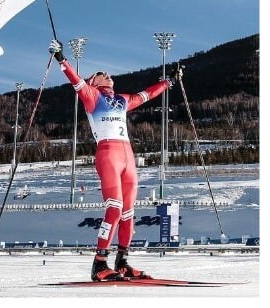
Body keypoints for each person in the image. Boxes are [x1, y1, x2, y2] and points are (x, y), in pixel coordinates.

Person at [48, 39, 182, 282]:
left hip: (128, 157)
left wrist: (169, 81)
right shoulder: (91, 97)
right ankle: (99, 264)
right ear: (94, 82)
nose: (107, 73)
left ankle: (122, 262)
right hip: (108, 154)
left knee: (129, 212)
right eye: (100, 73)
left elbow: (147, 95)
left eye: (107, 72)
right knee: (114, 207)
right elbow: (76, 81)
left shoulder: (121, 100)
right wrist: (61, 58)